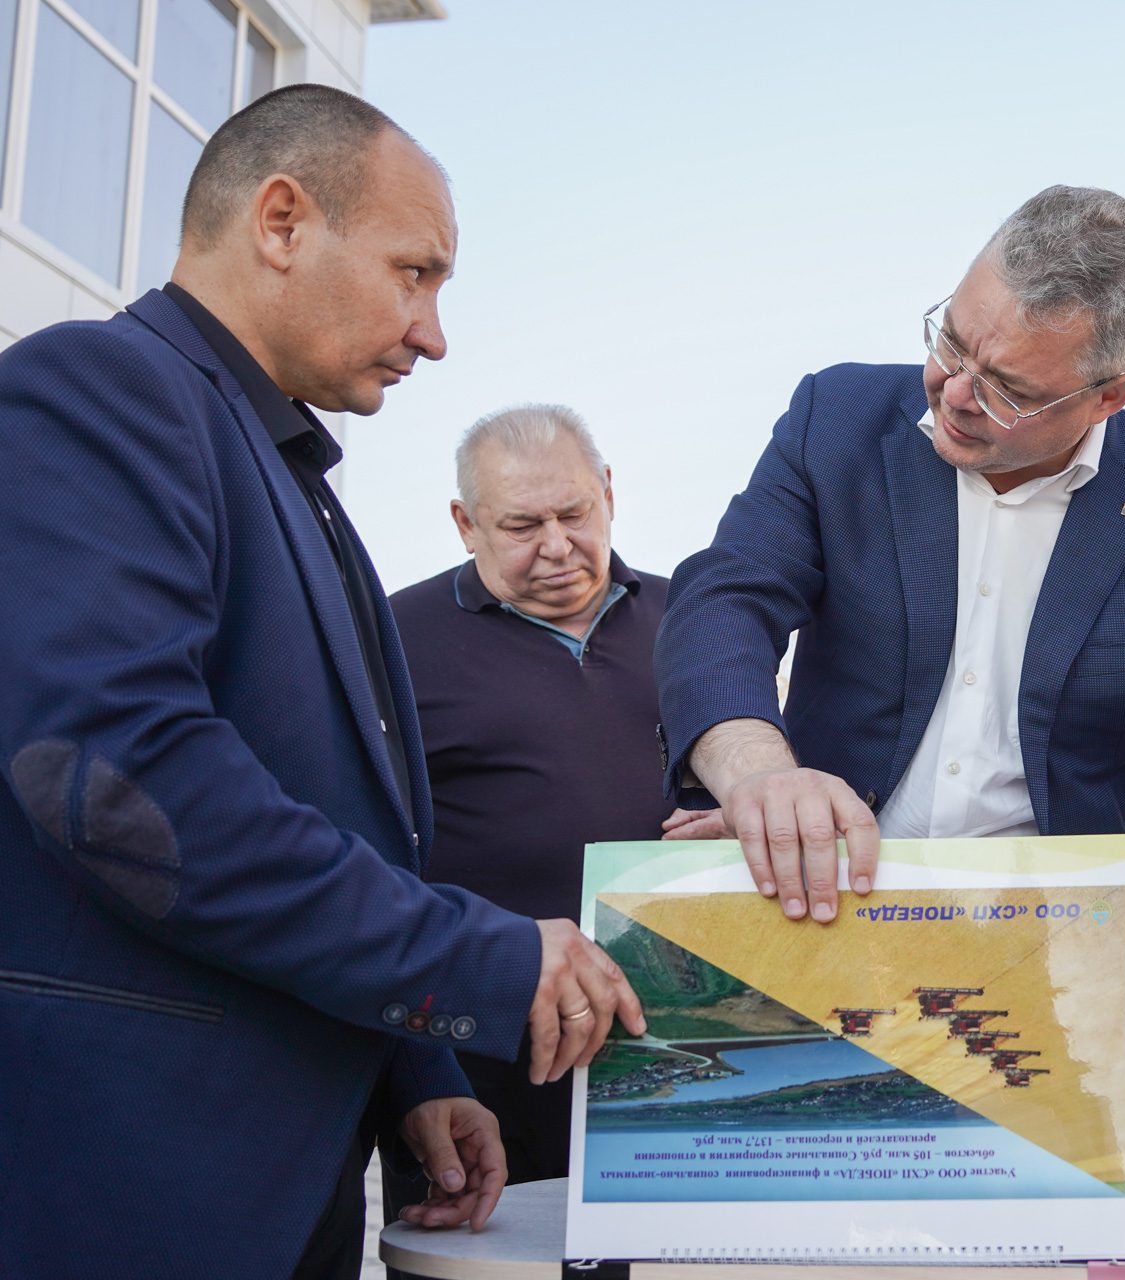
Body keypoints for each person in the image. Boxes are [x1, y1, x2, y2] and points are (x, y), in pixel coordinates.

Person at [0, 86, 640, 1280]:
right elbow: (125, 781)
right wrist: (481, 960)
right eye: (415, 273)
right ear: (283, 222)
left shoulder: (293, 476)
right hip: (136, 1182)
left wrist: (415, 1065)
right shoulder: (99, 391)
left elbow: (342, 819)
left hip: (290, 1179)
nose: (433, 333)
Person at [654, 186, 1125, 1213]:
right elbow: (726, 597)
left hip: (1070, 989)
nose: (952, 392)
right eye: (950, 340)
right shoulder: (834, 419)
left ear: (1109, 396)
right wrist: (758, 772)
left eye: (1009, 388)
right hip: (823, 938)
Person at [389, 404, 700, 1192]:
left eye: (575, 513)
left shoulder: (695, 622)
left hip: (678, 1046)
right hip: (482, 1056)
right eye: (523, 525)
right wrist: (418, 1071)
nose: (558, 546)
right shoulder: (390, 640)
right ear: (466, 524)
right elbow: (369, 860)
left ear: (609, 493)